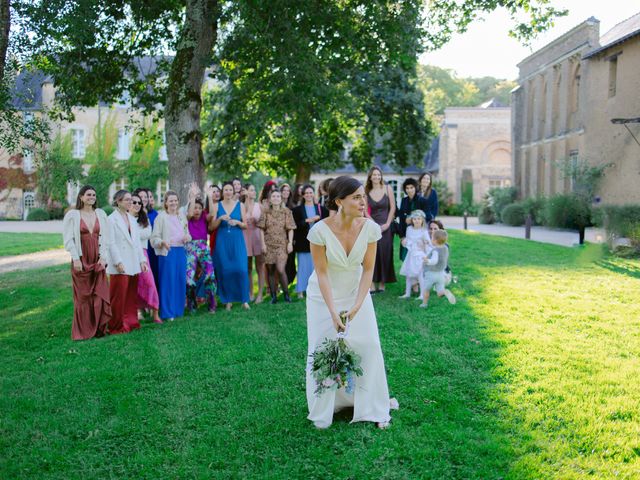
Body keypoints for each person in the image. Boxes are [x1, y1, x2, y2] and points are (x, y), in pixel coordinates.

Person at [305, 175, 396, 429]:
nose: (362, 202)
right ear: (339, 202)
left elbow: (368, 271)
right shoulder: (319, 232)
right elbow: (321, 273)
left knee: (367, 344)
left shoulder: (370, 228)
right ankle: (326, 406)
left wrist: (357, 305)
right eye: (356, 197)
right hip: (323, 297)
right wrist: (333, 310)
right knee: (325, 346)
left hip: (357, 292)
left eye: (363, 196)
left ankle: (373, 405)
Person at [62, 185, 112, 340]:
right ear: (81, 197)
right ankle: (83, 331)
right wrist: (76, 258)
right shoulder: (73, 215)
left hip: (97, 260)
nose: (92, 197)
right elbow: (68, 238)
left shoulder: (101, 214)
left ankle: (98, 329)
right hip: (82, 259)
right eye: (88, 194)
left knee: (98, 294)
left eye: (94, 194)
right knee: (83, 297)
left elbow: (106, 238)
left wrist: (103, 258)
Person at [107, 190, 148, 333]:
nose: (131, 202)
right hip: (119, 263)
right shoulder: (111, 219)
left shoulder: (132, 219)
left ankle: (131, 321)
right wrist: (117, 262)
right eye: (127, 200)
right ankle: (116, 325)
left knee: (131, 295)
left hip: (132, 262)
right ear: (118, 201)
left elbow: (136, 243)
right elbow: (111, 243)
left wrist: (142, 261)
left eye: (131, 199)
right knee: (118, 296)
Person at [150, 190, 191, 321]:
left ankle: (178, 310)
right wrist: (162, 242)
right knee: (168, 282)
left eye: (175, 200)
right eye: (171, 200)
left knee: (179, 280)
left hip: (181, 251)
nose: (174, 203)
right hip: (168, 252)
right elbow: (154, 238)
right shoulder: (160, 217)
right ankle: (168, 312)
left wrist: (187, 237)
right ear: (166, 203)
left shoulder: (181, 216)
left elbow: (188, 233)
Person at [211, 182, 251, 310]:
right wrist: (219, 219)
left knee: (242, 269)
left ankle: (244, 299)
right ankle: (228, 300)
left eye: (230, 190)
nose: (228, 192)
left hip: (237, 240)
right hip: (222, 241)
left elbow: (246, 225)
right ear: (223, 192)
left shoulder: (240, 205)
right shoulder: (216, 206)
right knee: (226, 270)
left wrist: (238, 222)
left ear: (233, 192)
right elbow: (211, 227)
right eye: (226, 190)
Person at [257, 188, 296, 304]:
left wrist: (290, 243)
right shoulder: (265, 212)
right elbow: (261, 229)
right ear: (270, 199)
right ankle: (273, 296)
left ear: (281, 198)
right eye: (273, 196)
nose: (276, 198)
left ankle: (286, 295)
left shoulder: (287, 212)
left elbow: (290, 229)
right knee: (271, 270)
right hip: (268, 244)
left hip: (281, 245)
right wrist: (263, 244)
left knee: (280, 269)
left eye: (278, 196)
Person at [129, 193, 162, 324]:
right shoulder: (125, 218)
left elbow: (148, 234)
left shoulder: (145, 219)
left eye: (139, 203)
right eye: (134, 202)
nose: (137, 205)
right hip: (129, 255)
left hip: (142, 253)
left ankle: (155, 313)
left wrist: (133, 232)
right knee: (134, 284)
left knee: (149, 282)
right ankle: (136, 312)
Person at [292, 184, 328, 299]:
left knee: (316, 267)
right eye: (306, 193)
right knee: (303, 266)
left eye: (310, 193)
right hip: (303, 242)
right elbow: (295, 225)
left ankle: (316, 290)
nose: (308, 195)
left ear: (313, 194)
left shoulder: (321, 209)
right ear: (303, 195)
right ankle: (300, 290)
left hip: (318, 242)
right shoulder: (297, 210)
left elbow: (326, 224)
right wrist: (308, 220)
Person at [186, 184, 217, 313]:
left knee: (210, 274)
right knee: (189, 277)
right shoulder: (188, 218)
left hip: (204, 247)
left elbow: (213, 214)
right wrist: (193, 197)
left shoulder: (204, 216)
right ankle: (192, 304)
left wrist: (209, 196)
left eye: (199, 208)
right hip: (191, 248)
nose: (197, 210)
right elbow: (190, 212)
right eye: (195, 208)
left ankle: (211, 305)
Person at [365, 166, 396, 293]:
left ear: (381, 176)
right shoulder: (366, 191)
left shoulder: (388, 188)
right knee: (372, 254)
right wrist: (374, 225)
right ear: (370, 177)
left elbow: (393, 207)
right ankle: (371, 283)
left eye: (378, 175)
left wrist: (388, 223)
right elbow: (365, 211)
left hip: (386, 226)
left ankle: (383, 282)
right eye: (374, 175)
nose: (376, 177)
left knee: (385, 253)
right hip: (372, 226)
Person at [398, 210, 431, 300]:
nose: (416, 221)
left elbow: (428, 243)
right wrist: (404, 242)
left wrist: (426, 254)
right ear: (412, 220)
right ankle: (407, 293)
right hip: (411, 254)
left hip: (420, 255)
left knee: (420, 275)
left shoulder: (423, 231)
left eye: (419, 219)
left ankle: (422, 294)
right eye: (415, 219)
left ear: (422, 220)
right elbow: (408, 241)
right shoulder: (409, 229)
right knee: (409, 274)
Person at [242, 183, 266, 303]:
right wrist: (246, 199)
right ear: (246, 192)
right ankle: (250, 293)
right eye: (251, 190)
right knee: (248, 267)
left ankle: (260, 294)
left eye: (254, 190)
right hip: (245, 237)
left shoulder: (259, 206)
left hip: (257, 237)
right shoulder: (242, 205)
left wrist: (258, 221)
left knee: (260, 266)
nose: (254, 192)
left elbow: (264, 223)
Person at [421, 229, 456, 308]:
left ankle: (424, 304)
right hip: (441, 274)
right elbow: (437, 246)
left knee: (426, 289)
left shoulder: (435, 251)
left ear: (435, 240)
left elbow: (434, 261)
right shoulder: (445, 248)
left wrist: (427, 261)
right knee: (439, 292)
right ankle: (444, 292)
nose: (431, 239)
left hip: (431, 273)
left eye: (432, 238)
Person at [397, 178, 428, 261]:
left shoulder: (422, 201)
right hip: (407, 232)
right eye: (407, 188)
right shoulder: (404, 201)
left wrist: (411, 219)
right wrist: (402, 236)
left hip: (419, 232)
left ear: (415, 188)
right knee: (407, 256)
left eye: (411, 187)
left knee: (418, 254)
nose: (409, 190)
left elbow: (426, 217)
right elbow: (401, 218)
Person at [280, 183, 297, 287]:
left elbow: (294, 225)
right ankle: (280, 284)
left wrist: (292, 240)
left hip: (290, 238)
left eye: (288, 191)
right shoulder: (276, 204)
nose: (286, 192)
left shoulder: (293, 206)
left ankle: (289, 282)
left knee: (290, 262)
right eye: (284, 190)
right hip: (278, 237)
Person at [144, 188, 160, 289]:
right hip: (143, 246)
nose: (148, 199)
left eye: (150, 196)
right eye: (146, 197)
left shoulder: (156, 214)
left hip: (153, 247)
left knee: (154, 271)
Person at [206, 184, 221, 256]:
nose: (216, 193)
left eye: (218, 191)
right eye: (213, 192)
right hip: (214, 236)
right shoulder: (206, 210)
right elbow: (209, 228)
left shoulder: (225, 206)